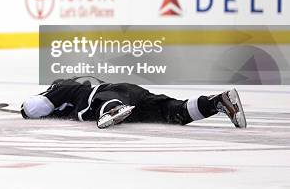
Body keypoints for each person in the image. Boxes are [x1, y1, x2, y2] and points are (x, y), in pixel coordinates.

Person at [21, 76, 247, 129]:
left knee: (98, 103)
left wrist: (23, 109)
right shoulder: (85, 83)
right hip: (133, 94)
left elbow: (34, 107)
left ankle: (114, 110)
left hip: (112, 95)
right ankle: (218, 102)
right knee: (173, 112)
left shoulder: (66, 87)